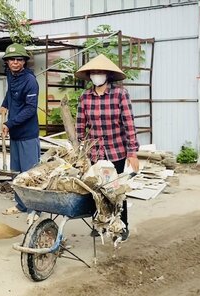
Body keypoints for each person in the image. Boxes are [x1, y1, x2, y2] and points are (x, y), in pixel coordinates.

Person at [75, 54, 140, 241]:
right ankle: (101, 222)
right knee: (97, 188)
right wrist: (81, 151)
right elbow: (81, 126)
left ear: (107, 75)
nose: (97, 75)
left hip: (116, 150)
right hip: (95, 151)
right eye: (93, 72)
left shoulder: (120, 94)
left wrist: (132, 152)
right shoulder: (85, 97)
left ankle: (121, 225)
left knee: (116, 190)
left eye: (100, 72)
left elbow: (129, 124)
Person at [0, 43, 41, 223]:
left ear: (24, 61)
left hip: (27, 134)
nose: (15, 63)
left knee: (30, 173)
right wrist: (5, 104)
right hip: (15, 133)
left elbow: (30, 109)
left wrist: (9, 123)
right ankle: (21, 204)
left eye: (19, 59)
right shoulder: (11, 75)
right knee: (16, 172)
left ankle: (35, 209)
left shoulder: (30, 81)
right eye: (11, 59)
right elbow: (11, 92)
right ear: (7, 62)